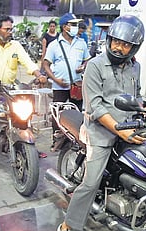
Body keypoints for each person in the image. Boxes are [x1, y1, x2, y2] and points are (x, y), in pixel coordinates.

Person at [57, 15, 146, 231]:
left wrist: (143, 108)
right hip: (100, 131)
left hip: (129, 127)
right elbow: (96, 107)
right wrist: (121, 132)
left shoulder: (135, 66)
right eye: (116, 42)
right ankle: (68, 226)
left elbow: (136, 95)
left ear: (134, 47)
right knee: (91, 183)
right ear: (108, 40)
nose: (119, 47)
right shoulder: (95, 66)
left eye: (126, 44)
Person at [0, 15, 47, 148]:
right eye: (7, 29)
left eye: (11, 29)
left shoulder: (15, 46)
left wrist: (38, 74)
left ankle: (25, 134)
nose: (10, 32)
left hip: (9, 87)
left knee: (26, 102)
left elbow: (27, 62)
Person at [42, 13, 90, 150]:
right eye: (73, 24)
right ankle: (57, 140)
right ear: (65, 27)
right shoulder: (54, 45)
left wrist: (84, 66)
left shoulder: (81, 43)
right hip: (60, 86)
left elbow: (87, 59)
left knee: (77, 113)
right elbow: (46, 64)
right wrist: (55, 79)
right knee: (58, 114)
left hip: (76, 86)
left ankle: (76, 140)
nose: (76, 27)